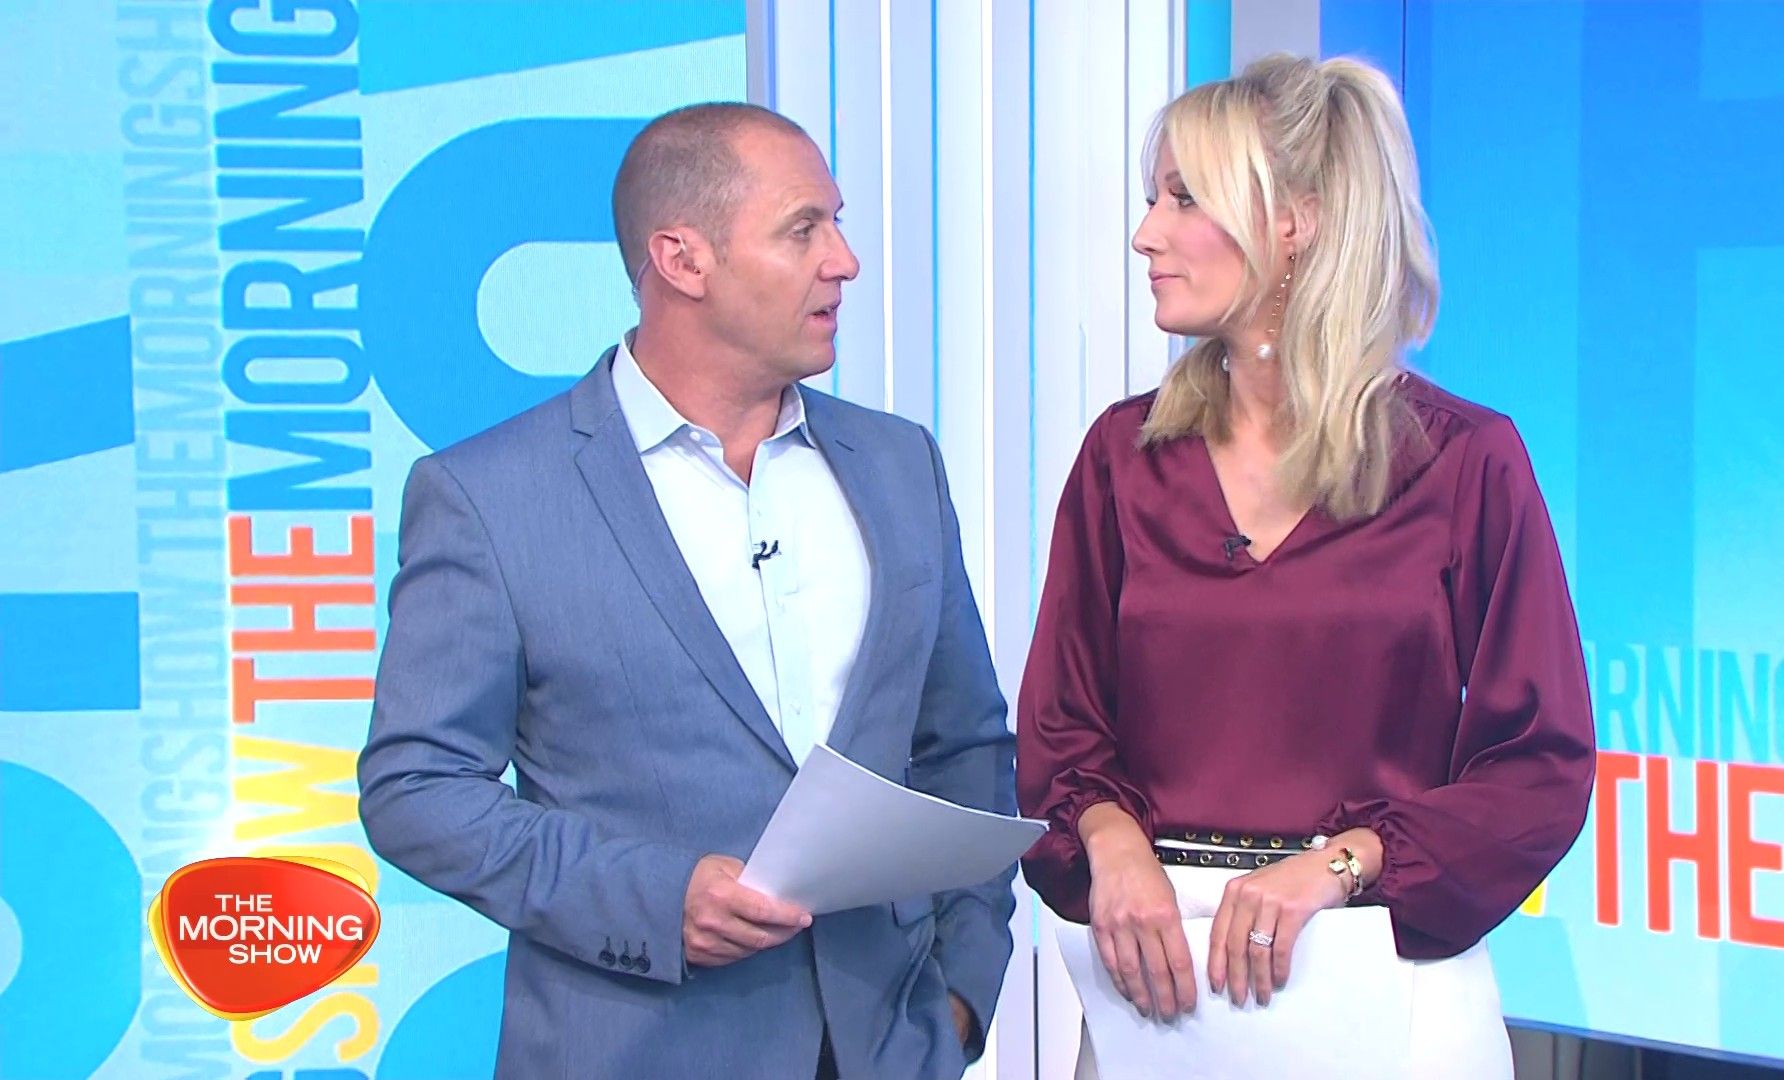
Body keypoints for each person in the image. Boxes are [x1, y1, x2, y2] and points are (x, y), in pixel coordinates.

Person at [359, 102, 1016, 1080]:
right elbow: (416, 791)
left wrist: (963, 997)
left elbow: (965, 746)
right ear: (682, 259)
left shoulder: (899, 464)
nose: (844, 261)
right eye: (803, 229)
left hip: (893, 1048)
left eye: (837, 224)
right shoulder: (490, 497)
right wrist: (654, 900)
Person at [1017, 53, 1596, 1077]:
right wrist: (1109, 844)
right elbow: (1060, 730)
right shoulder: (1122, 459)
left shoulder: (1466, 462)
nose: (1145, 234)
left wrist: (1338, 867)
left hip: (1384, 994)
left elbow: (1537, 768)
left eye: (1183, 198)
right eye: (1152, 199)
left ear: (1294, 222)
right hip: (1160, 1007)